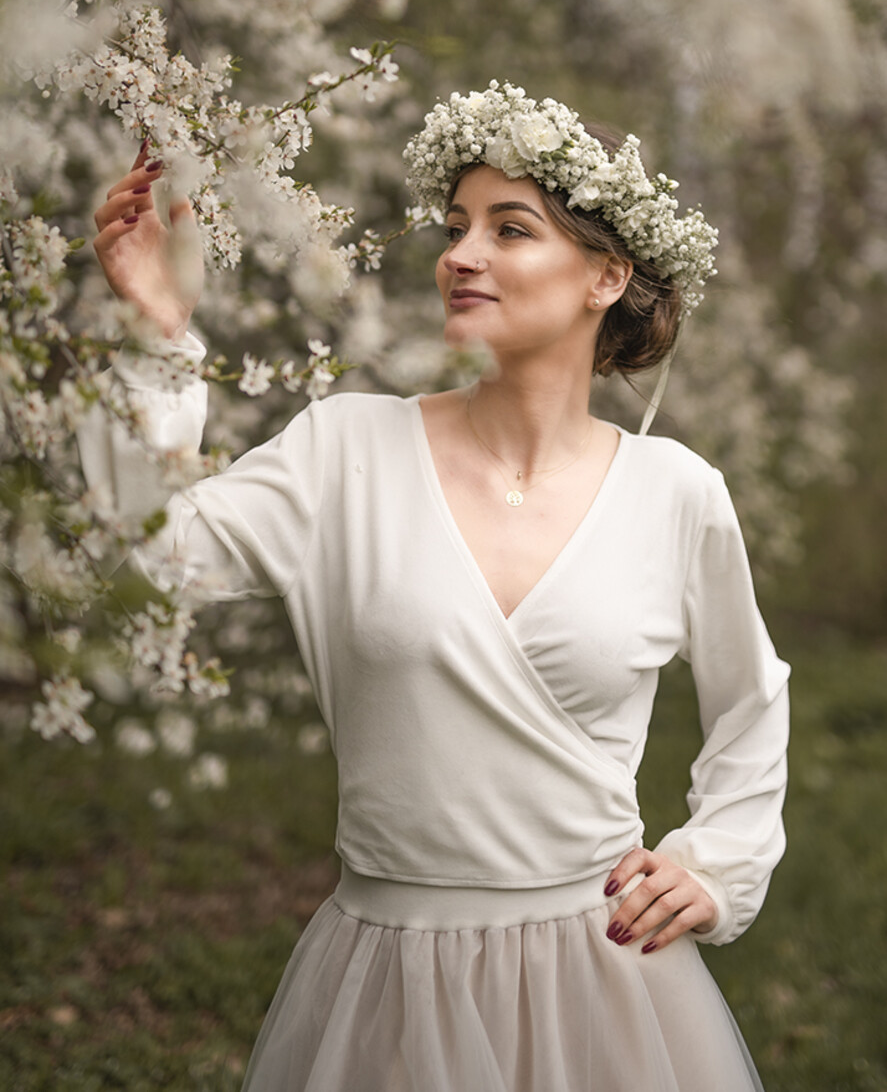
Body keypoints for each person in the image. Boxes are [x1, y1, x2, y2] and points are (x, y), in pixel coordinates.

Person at [81, 81, 790, 1092]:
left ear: (603, 274)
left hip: (607, 987)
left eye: (510, 229)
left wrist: (715, 863)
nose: (460, 255)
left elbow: (751, 700)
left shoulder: (675, 493)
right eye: (456, 227)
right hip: (387, 982)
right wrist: (157, 337)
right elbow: (147, 559)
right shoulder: (345, 448)